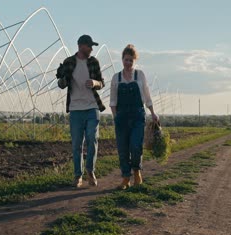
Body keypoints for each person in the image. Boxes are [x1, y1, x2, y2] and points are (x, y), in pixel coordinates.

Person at [56, 34, 106, 188]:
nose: (91, 49)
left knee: (92, 139)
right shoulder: (69, 62)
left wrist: (95, 82)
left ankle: (90, 171)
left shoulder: (93, 62)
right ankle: (78, 176)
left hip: (92, 107)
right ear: (80, 46)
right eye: (89, 46)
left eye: (92, 47)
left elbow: (102, 83)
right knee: (77, 144)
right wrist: (63, 78)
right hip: (75, 109)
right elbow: (61, 84)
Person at [109, 44, 159, 189]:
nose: (128, 63)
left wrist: (153, 112)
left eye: (131, 60)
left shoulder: (140, 75)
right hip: (122, 117)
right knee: (123, 149)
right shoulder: (116, 78)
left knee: (136, 146)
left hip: (137, 115)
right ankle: (126, 178)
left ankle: (137, 171)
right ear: (122, 59)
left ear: (134, 61)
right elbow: (112, 101)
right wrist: (115, 117)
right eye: (126, 60)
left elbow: (147, 96)